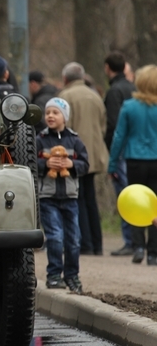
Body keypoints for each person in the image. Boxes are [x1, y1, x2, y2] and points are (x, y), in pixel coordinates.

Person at [37, 98, 89, 294]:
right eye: (48, 112)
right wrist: (44, 165)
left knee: (74, 239)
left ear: (64, 117)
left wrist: (72, 165)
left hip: (70, 197)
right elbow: (30, 164)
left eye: (55, 112)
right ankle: (54, 275)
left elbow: (85, 165)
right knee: (55, 236)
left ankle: (72, 275)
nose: (50, 115)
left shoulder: (75, 140)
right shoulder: (40, 140)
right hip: (47, 197)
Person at [108, 65, 157, 265]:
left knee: (137, 202)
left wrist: (112, 165)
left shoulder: (129, 106)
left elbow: (119, 137)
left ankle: (138, 246)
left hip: (135, 160)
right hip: (156, 160)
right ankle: (153, 252)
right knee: (154, 206)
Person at [58, 62, 108, 256]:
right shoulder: (95, 95)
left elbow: (63, 128)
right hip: (95, 153)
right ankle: (97, 244)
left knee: (78, 198)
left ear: (65, 79)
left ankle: (85, 244)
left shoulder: (65, 97)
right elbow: (103, 126)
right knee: (90, 199)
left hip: (75, 155)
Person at [103, 51, 136, 256]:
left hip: (123, 150)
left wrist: (112, 154)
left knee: (125, 196)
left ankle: (130, 240)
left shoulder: (114, 91)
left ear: (108, 68)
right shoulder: (133, 88)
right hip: (138, 150)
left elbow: (114, 125)